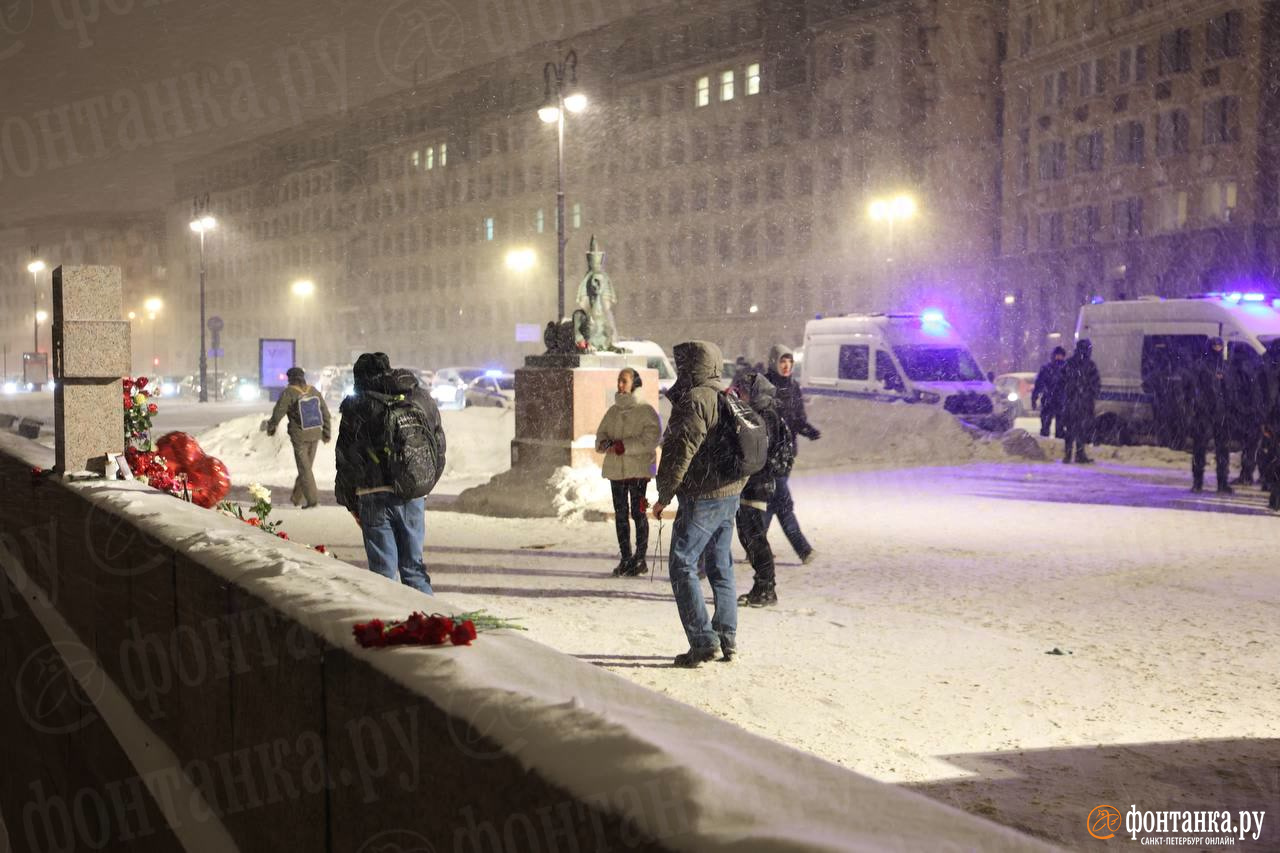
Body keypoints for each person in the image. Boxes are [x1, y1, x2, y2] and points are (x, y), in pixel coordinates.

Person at [652, 340, 748, 668]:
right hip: (729, 492)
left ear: (691, 365)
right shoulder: (726, 395)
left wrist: (664, 494)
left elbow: (680, 451)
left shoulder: (695, 399)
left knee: (682, 563)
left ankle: (703, 641)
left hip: (704, 495)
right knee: (721, 566)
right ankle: (727, 637)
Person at [335, 352, 446, 593]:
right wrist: (422, 486)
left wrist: (351, 503)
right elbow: (437, 448)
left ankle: (392, 627)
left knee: (383, 574)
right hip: (412, 495)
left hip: (373, 495)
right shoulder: (419, 398)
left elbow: (345, 460)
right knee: (414, 569)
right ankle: (429, 626)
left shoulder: (357, 406)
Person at [732, 370, 793, 608]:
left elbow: (759, 452)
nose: (740, 395)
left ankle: (766, 588)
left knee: (755, 538)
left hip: (758, 483)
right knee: (749, 537)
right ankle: (762, 585)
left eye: (743, 391)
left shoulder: (765, 416)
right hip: (753, 482)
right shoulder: (758, 413)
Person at [594, 367, 661, 577]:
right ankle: (625, 557)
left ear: (635, 384)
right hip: (617, 471)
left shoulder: (645, 410)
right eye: (619, 381)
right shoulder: (613, 411)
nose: (620, 385)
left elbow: (651, 439)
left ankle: (640, 558)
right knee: (621, 515)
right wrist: (605, 444)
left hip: (639, 472)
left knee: (639, 512)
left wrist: (625, 446)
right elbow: (601, 434)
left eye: (624, 381)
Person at [763, 344, 819, 563]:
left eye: (789, 361)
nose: (786, 366)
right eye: (782, 361)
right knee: (782, 502)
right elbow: (766, 419)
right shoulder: (765, 385)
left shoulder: (794, 387)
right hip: (769, 455)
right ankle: (803, 549)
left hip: (787, 454)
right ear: (774, 362)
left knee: (772, 502)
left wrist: (807, 430)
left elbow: (796, 417)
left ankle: (756, 544)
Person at [266, 366, 331, 508]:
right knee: (306, 468)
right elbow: (325, 412)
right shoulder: (313, 391)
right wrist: (326, 432)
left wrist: (271, 426)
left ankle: (312, 501)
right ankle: (296, 498)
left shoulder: (289, 392)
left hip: (300, 435)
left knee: (304, 469)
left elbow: (278, 412)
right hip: (315, 433)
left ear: (290, 379)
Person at [1183, 337, 1232, 493]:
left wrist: (1229, 408)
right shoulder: (1201, 366)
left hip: (1221, 413)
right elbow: (1193, 388)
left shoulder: (1224, 366)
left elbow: (1229, 390)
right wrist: (1200, 405)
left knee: (1222, 449)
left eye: (1219, 345)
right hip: (1204, 414)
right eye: (1215, 345)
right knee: (1199, 449)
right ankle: (1198, 483)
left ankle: (1222, 483)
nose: (1217, 348)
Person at [1226, 343, 1265, 485]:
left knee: (1251, 446)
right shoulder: (1255, 367)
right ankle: (1263, 475)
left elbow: (1240, 393)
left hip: (1249, 414)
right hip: (1255, 413)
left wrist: (1241, 409)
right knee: (1256, 447)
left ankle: (1247, 475)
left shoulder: (1240, 369)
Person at [1060, 339, 1100, 464]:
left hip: (1072, 402)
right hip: (1082, 403)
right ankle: (1079, 454)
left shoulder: (1069, 363)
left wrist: (1069, 392)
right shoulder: (1089, 365)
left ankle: (1069, 454)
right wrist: (1088, 393)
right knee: (1080, 429)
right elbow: (1096, 385)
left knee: (1071, 429)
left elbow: (1061, 382)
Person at [1031, 346, 1067, 438]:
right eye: (1057, 355)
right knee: (1047, 427)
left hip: (1057, 401)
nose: (1059, 357)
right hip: (1051, 400)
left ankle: (1055, 443)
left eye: (1060, 355)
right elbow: (1038, 384)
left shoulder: (1066, 369)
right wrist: (1034, 398)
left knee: (1058, 427)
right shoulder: (1048, 368)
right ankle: (1047, 442)